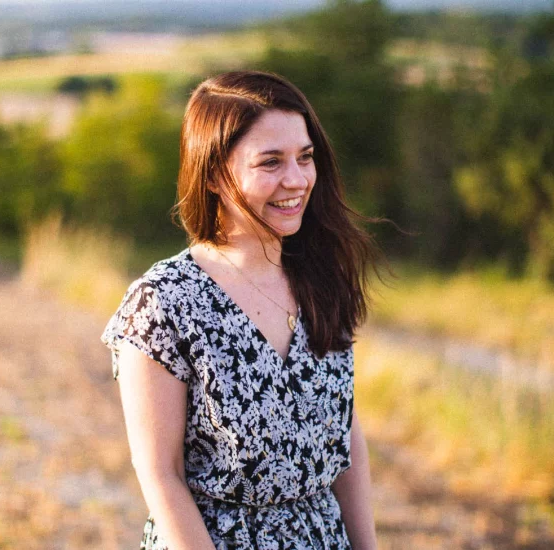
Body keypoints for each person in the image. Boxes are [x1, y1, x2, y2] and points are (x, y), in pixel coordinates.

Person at [101, 70, 379, 549]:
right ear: (213, 174)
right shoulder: (164, 301)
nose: (296, 180)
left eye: (305, 157)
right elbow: (161, 476)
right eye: (270, 162)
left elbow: (344, 438)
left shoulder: (319, 276)